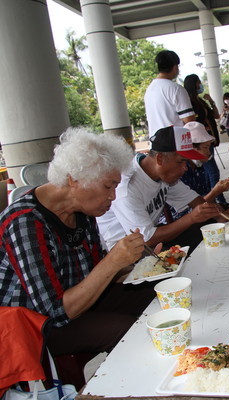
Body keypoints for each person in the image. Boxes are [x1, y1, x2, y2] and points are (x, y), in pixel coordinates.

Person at [0, 128, 156, 357]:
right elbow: (55, 312)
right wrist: (113, 262)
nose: (113, 196)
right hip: (34, 327)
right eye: (108, 186)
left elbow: (95, 272)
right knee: (130, 331)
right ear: (75, 179)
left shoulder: (83, 211)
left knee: (157, 293)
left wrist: (138, 264)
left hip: (78, 305)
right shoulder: (25, 222)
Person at [97, 125, 229, 253]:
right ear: (160, 159)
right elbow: (146, 239)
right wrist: (192, 217)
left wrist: (219, 214)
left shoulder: (165, 175)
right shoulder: (127, 187)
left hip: (150, 242)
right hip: (126, 253)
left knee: (207, 228)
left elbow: (195, 201)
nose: (185, 168)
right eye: (181, 162)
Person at [158, 122, 229, 223]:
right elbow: (190, 211)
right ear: (192, 148)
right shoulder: (179, 172)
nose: (209, 152)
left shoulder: (200, 167)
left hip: (201, 213)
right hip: (182, 221)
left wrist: (220, 211)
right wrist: (215, 191)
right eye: (205, 147)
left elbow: (202, 201)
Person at [182, 74, 227, 206]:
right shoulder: (189, 102)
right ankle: (219, 199)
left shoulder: (201, 101)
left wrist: (211, 101)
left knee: (209, 173)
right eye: (198, 83)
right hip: (200, 139)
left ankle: (216, 200)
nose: (200, 86)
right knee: (213, 172)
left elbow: (216, 115)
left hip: (205, 139)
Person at [144, 50, 195, 138]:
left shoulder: (149, 90)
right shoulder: (176, 89)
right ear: (175, 67)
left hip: (156, 143)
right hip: (176, 144)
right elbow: (190, 121)